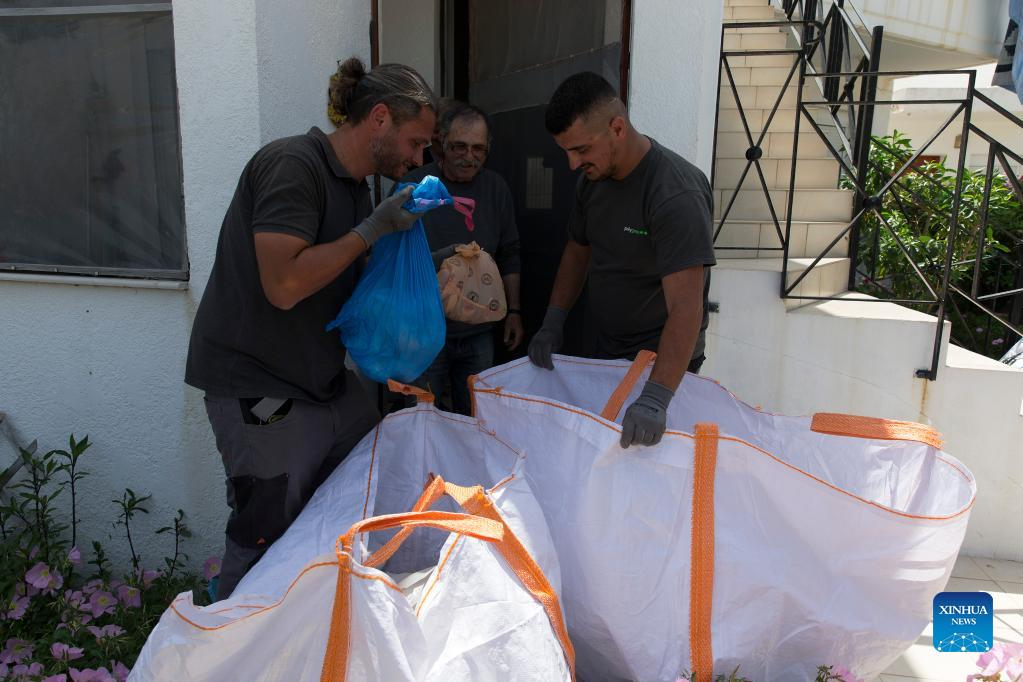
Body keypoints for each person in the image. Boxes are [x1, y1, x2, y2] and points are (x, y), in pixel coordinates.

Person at [184, 57, 437, 599]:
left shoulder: (357, 188)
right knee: (264, 532)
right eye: (415, 142)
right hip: (260, 383)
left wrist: (425, 285)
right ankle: (231, 637)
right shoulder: (292, 165)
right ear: (380, 118)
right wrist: (372, 229)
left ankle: (319, 627)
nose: (418, 159)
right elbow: (285, 284)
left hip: (320, 380)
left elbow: (347, 279)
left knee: (358, 486)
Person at [528, 72, 715, 448]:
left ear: (617, 127)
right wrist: (553, 321)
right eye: (566, 151)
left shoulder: (674, 194)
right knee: (605, 453)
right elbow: (577, 251)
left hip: (662, 365)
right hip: (610, 350)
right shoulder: (592, 182)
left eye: (581, 150)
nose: (572, 164)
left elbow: (686, 307)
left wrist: (657, 397)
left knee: (649, 460)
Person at [403, 102, 523, 415]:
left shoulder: (496, 188)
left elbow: (509, 253)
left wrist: (514, 311)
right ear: (441, 143)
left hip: (478, 332)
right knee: (419, 418)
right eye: (459, 146)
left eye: (478, 148)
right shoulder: (415, 187)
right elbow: (393, 258)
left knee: (476, 417)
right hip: (423, 333)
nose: (469, 157)